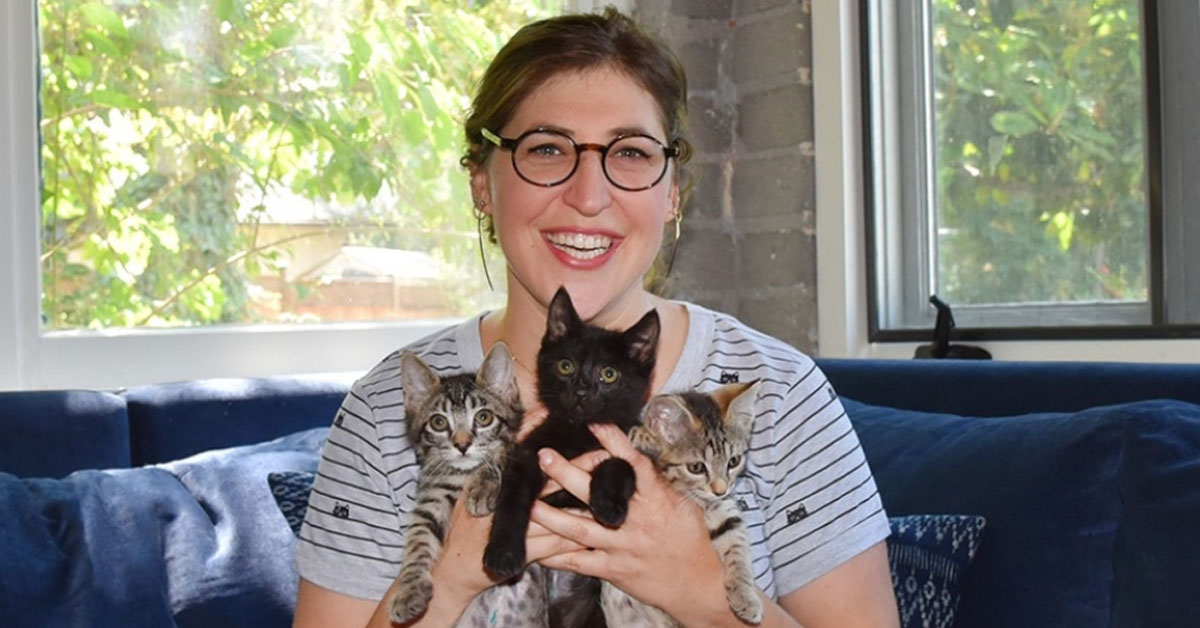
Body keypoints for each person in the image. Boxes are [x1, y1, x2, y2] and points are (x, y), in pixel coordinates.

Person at [292, 8, 899, 628]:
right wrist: (449, 578)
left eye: (631, 152)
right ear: (481, 182)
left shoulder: (778, 394)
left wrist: (697, 587)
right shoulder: (384, 413)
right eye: (548, 149)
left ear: (671, 193)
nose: (588, 196)